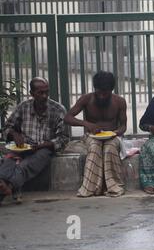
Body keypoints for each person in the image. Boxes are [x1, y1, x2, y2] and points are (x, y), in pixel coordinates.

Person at [0, 77, 69, 205]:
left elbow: (64, 139)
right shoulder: (23, 107)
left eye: (46, 92)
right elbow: (6, 127)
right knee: (8, 160)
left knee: (25, 166)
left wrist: (42, 145)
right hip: (22, 146)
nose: (44, 96)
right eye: (40, 93)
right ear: (32, 94)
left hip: (45, 148)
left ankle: (9, 187)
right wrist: (14, 134)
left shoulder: (58, 109)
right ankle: (3, 184)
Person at [64, 71, 127, 197]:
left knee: (110, 148)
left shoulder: (119, 101)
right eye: (99, 92)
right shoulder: (86, 99)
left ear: (111, 90)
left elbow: (123, 126)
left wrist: (115, 133)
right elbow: (68, 118)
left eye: (106, 93)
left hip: (112, 137)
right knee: (94, 147)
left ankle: (114, 186)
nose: (102, 96)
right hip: (91, 136)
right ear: (95, 89)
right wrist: (87, 124)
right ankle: (91, 188)